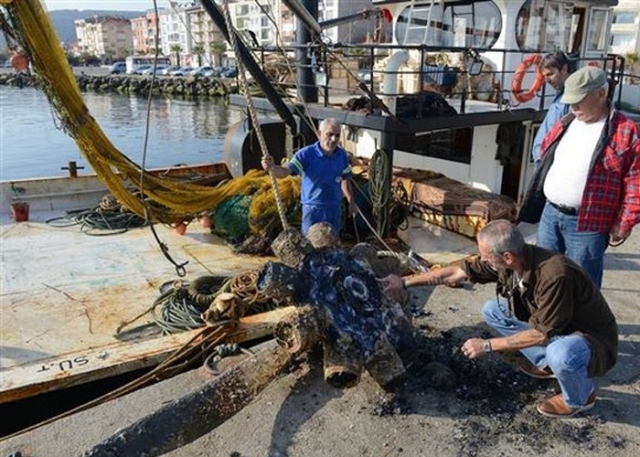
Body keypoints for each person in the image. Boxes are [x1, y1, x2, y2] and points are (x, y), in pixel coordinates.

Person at [381, 220, 618, 417]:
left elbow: (539, 334)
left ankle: (580, 397)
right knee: (491, 310)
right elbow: (457, 271)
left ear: (506, 256)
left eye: (486, 256)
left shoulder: (554, 275)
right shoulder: (512, 261)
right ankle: (546, 364)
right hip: (556, 326)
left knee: (561, 354)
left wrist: (486, 345)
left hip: (590, 339)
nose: (482, 260)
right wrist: (404, 282)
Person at [519, 66, 640, 288]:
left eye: (579, 100)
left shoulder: (626, 130)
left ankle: (583, 324)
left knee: (582, 285)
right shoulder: (567, 121)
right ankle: (546, 320)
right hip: (550, 213)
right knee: (543, 276)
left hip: (588, 224)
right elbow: (546, 153)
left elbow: (636, 185)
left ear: (601, 94)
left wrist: (624, 223)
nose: (573, 106)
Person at [262, 118, 356, 235]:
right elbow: (285, 171)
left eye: (337, 136)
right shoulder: (306, 154)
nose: (333, 139)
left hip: (334, 209)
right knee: (310, 244)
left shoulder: (342, 156)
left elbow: (345, 178)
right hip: (312, 210)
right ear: (319, 134)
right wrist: (272, 167)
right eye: (329, 134)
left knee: (333, 246)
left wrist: (351, 201)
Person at [531, 51, 572, 165]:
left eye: (550, 74)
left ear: (564, 69)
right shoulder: (561, 94)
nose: (547, 80)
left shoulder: (571, 99)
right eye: (544, 76)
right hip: (543, 158)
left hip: (549, 162)